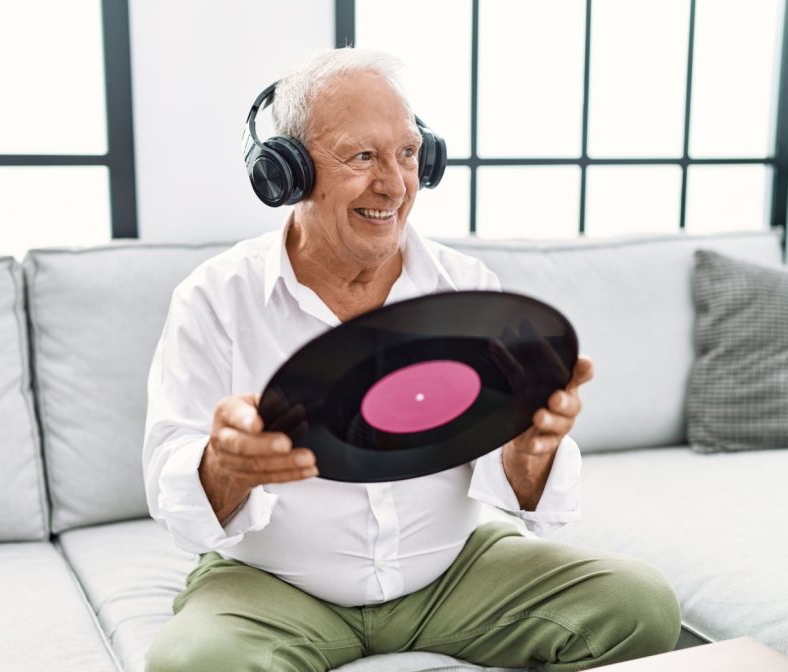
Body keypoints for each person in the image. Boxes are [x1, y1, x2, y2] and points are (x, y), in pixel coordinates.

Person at [142, 48, 680, 672]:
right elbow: (169, 474)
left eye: (407, 152)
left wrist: (528, 452)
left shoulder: (467, 287)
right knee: (192, 663)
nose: (395, 184)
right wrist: (227, 466)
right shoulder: (214, 296)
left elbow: (527, 491)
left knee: (639, 604)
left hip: (451, 574)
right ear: (285, 173)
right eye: (362, 156)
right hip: (274, 585)